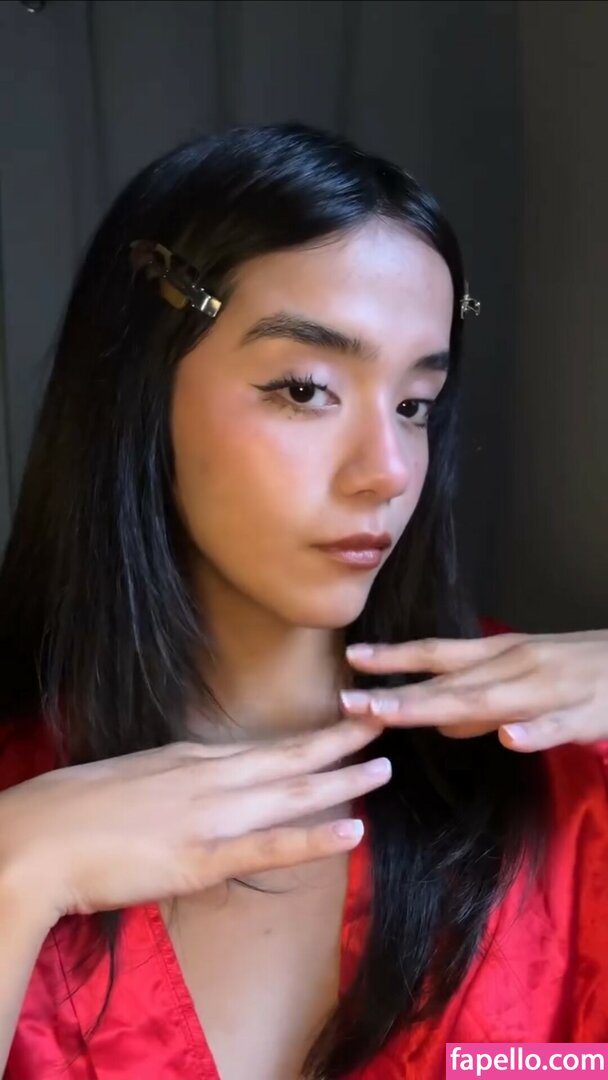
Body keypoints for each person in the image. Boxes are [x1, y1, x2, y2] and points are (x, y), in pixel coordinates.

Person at [0, 121, 606, 1080]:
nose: (388, 471)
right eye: (305, 389)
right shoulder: (16, 806)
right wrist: (18, 869)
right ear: (137, 390)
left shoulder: (561, 778)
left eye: (414, 405)